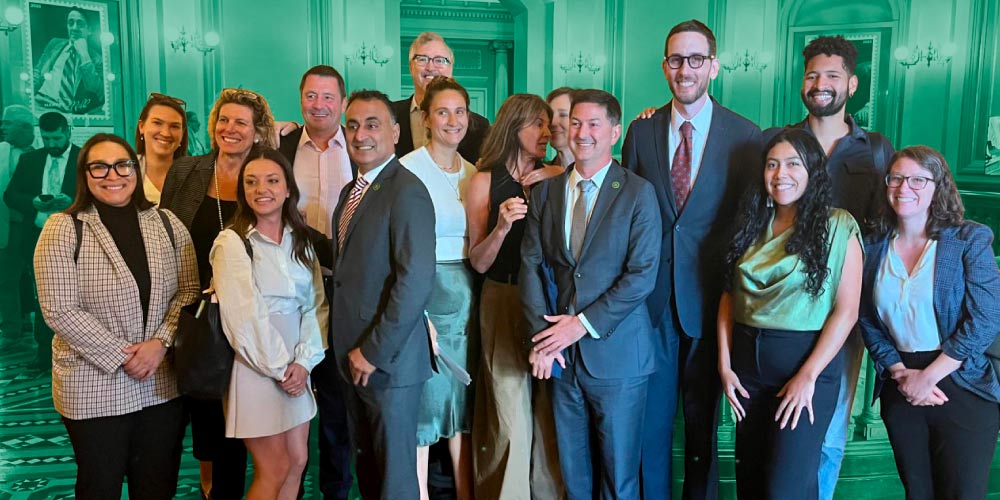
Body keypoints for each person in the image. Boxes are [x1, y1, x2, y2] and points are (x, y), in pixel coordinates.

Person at [621, 19, 762, 500]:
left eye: (695, 59)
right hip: (651, 305)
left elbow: (751, 227)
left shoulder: (746, 137)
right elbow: (628, 219)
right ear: (665, 67)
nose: (685, 69)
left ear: (714, 67)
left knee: (703, 433)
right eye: (676, 59)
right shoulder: (640, 134)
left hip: (712, 305)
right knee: (650, 429)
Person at [761, 35, 895, 499]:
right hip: (781, 310)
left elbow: (888, 225)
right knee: (779, 421)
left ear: (852, 84)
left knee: (830, 424)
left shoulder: (876, 150)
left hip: (844, 310)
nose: (821, 84)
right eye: (813, 75)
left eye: (832, 76)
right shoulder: (780, 145)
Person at [33, 133, 199, 499]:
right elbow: (59, 308)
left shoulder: (167, 223)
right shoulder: (63, 227)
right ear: (84, 175)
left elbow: (189, 290)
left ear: (135, 169)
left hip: (159, 382)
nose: (113, 175)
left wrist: (159, 344)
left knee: (156, 485)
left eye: (122, 164)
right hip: (92, 382)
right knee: (99, 485)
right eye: (100, 167)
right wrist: (124, 355)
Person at [521, 89, 661, 499]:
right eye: (575, 123)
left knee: (619, 479)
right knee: (574, 478)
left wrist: (579, 326)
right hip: (562, 362)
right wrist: (542, 341)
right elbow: (531, 267)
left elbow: (641, 275)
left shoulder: (638, 193)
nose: (581, 132)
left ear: (614, 132)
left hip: (619, 360)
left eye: (593, 124)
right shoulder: (546, 193)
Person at [717, 128, 863, 499]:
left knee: (786, 489)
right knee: (750, 481)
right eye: (772, 165)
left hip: (805, 372)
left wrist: (808, 376)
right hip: (747, 373)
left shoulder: (838, 225)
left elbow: (846, 312)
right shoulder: (751, 224)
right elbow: (728, 298)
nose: (781, 174)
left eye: (792, 164)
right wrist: (725, 365)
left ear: (812, 170)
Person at [858, 146, 1000, 500]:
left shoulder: (969, 239)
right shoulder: (873, 244)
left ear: (939, 186)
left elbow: (986, 317)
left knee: (962, 494)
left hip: (962, 380)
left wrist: (929, 377)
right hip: (900, 383)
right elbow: (866, 317)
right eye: (897, 178)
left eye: (918, 179)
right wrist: (901, 374)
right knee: (917, 492)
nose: (904, 187)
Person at [160, 87, 276, 500]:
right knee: (207, 417)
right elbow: (164, 237)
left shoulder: (268, 172)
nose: (230, 129)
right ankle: (215, 492)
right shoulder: (186, 172)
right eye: (223, 120)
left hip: (250, 312)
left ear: (258, 131)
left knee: (246, 414)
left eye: (241, 122)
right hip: (195, 313)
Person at [331, 89, 436, 500]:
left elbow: (415, 282)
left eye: (372, 124)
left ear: (394, 131)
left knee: (395, 483)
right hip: (353, 358)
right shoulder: (351, 191)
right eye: (353, 125)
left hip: (387, 363)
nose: (361, 135)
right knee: (370, 475)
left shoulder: (406, 191)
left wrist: (372, 351)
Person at [210, 147, 326, 500]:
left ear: (288, 188)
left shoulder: (301, 238)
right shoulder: (232, 242)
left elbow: (316, 304)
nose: (262, 189)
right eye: (252, 181)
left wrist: (303, 363)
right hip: (258, 366)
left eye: (273, 180)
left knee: (297, 460)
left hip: (299, 363)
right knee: (273, 467)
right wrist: (281, 368)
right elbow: (242, 318)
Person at [466, 93, 564, 500]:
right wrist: (502, 227)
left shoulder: (557, 175)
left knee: (549, 415)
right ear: (513, 127)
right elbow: (478, 262)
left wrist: (556, 170)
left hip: (551, 306)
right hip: (502, 296)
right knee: (509, 414)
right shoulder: (483, 180)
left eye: (548, 124)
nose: (547, 132)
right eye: (538, 124)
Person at [276, 64, 354, 500]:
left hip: (341, 290)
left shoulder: (362, 145)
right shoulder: (282, 144)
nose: (319, 105)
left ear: (342, 102)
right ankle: (289, 486)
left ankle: (336, 491)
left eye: (328, 97)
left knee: (337, 407)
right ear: (300, 98)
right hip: (293, 289)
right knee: (290, 395)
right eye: (311, 96)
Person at [399, 76, 478, 500]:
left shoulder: (476, 171)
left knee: (461, 407)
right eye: (442, 111)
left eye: (459, 111)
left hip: (467, 299)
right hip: (425, 294)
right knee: (426, 406)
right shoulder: (408, 169)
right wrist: (415, 310)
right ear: (426, 118)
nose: (452, 120)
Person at [5, 111, 79, 372]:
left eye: (56, 137)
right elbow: (10, 195)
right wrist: (33, 203)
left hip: (76, 237)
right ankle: (43, 352)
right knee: (43, 296)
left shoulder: (84, 157)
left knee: (77, 295)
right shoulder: (30, 159)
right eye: (46, 138)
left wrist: (73, 203)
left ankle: (77, 349)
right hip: (38, 236)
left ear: (67, 132)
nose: (51, 143)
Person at [392, 32, 490, 164]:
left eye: (439, 60)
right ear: (411, 67)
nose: (431, 67)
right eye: (422, 59)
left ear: (451, 68)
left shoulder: (479, 127)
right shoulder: (389, 115)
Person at [0, 105, 35, 346]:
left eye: (7, 123)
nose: (2, 127)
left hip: (34, 227)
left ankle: (33, 326)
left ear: (23, 127)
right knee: (7, 278)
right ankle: (13, 329)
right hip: (9, 226)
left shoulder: (40, 154)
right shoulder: (2, 152)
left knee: (40, 278)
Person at [33, 7, 104, 115]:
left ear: (89, 30)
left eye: (80, 23)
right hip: (39, 104)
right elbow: (37, 72)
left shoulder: (96, 59)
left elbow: (96, 90)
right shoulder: (55, 44)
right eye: (71, 23)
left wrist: (84, 54)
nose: (74, 28)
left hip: (66, 112)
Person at [135, 93, 188, 204]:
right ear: (142, 127)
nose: (165, 133)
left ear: (182, 134)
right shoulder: (123, 172)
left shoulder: (195, 176)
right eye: (157, 123)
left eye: (174, 126)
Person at [545, 87, 575, 168]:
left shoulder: (604, 172)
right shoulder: (540, 174)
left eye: (563, 115)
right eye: (550, 115)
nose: (553, 123)